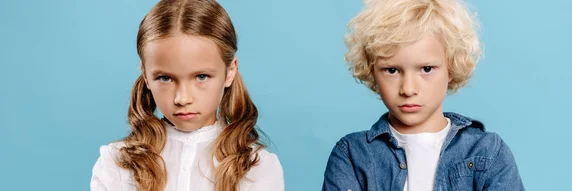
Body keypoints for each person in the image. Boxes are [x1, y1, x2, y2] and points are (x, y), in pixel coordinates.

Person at [322, 0, 524, 190]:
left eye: (426, 69)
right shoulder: (351, 155)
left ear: (451, 67)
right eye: (392, 70)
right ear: (372, 72)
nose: (408, 89)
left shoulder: (487, 152)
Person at [90, 0, 284, 190]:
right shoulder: (117, 164)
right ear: (146, 75)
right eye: (165, 78)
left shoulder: (257, 168)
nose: (182, 99)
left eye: (201, 76)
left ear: (230, 71)